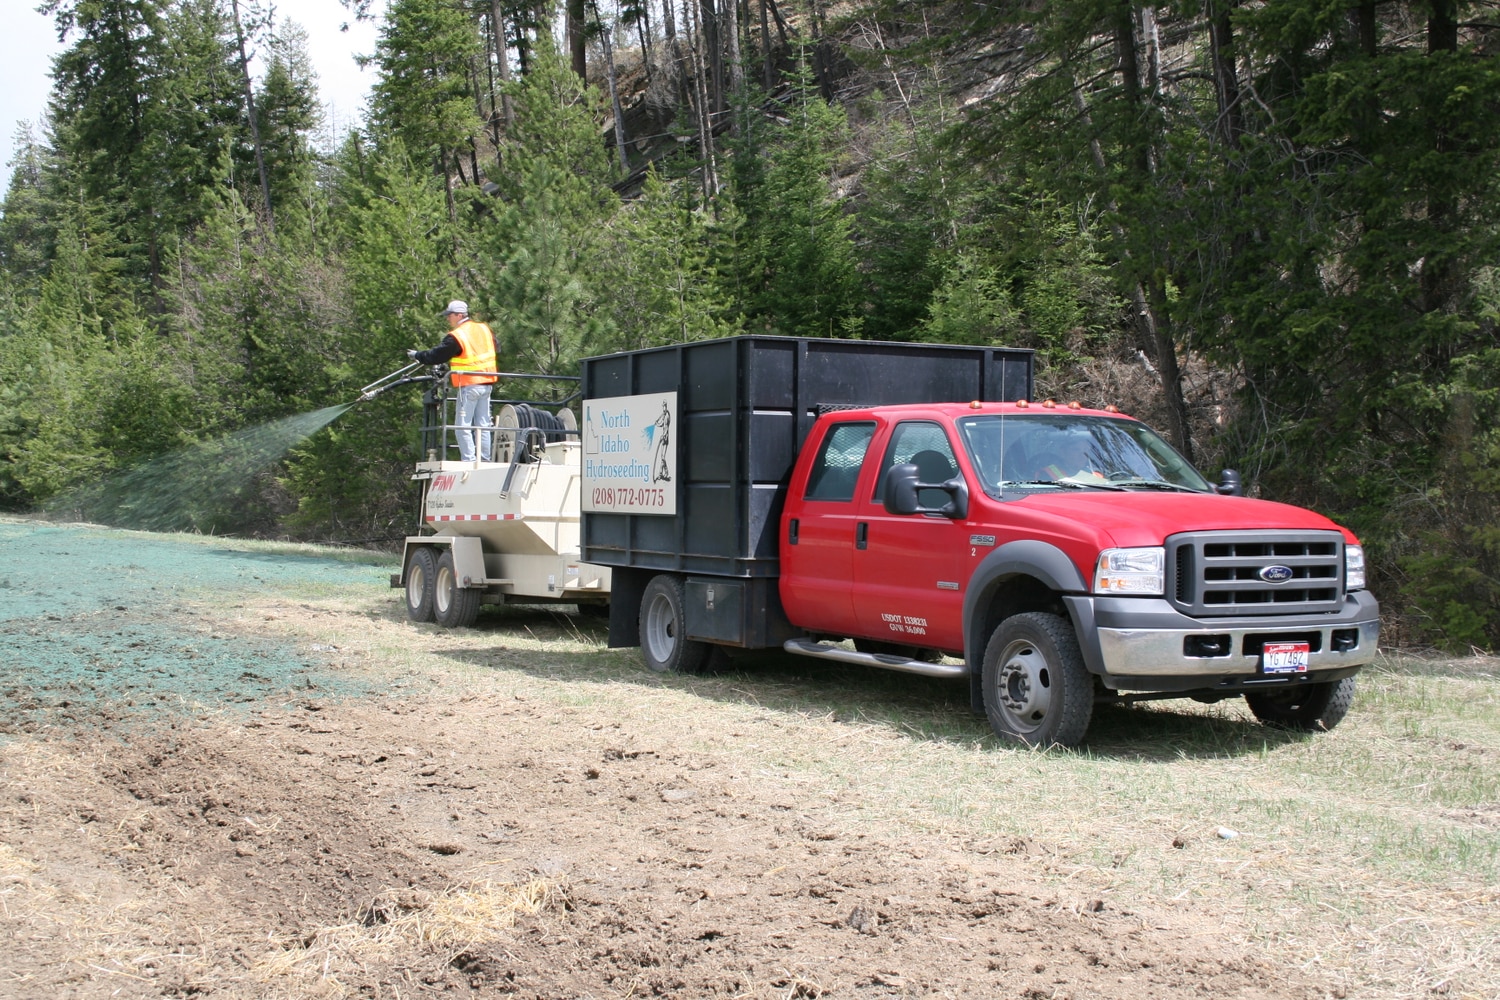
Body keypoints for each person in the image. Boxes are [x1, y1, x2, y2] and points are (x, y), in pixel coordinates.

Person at [409, 300, 497, 463]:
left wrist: (417, 355)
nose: (448, 319)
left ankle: (469, 461)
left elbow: (437, 355)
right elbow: (494, 348)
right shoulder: (484, 329)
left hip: (469, 385)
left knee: (462, 426)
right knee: (483, 426)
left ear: (459, 315)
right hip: (487, 383)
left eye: (450, 315)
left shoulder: (458, 335)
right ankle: (485, 460)